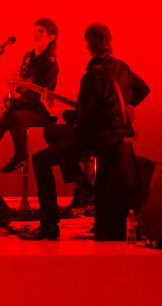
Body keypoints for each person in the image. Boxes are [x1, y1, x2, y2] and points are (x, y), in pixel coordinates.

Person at [19, 23, 150, 240]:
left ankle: (49, 225)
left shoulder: (91, 76)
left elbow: (83, 119)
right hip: (116, 137)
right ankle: (81, 182)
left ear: (88, 44)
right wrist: (122, 108)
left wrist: (56, 111)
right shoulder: (122, 66)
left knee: (40, 159)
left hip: (97, 139)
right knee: (53, 133)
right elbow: (143, 89)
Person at [0, 19, 59, 183]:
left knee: (15, 117)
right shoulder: (28, 56)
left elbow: (43, 91)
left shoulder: (50, 62)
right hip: (19, 108)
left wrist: (20, 98)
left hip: (39, 110)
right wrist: (11, 95)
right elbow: (21, 81)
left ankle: (21, 156)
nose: (36, 33)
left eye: (40, 31)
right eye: (35, 30)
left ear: (51, 37)